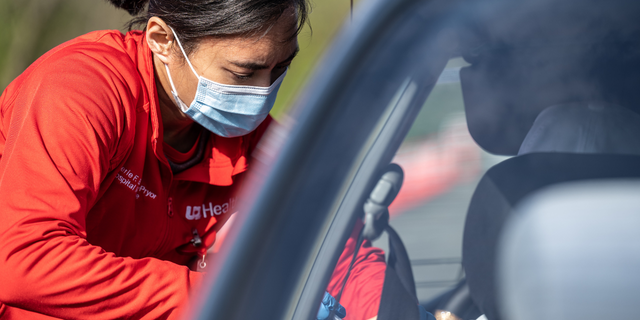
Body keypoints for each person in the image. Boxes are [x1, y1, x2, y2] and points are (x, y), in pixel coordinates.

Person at [0, 0, 387, 319]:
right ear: (162, 40)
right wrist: (225, 299)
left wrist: (382, 310)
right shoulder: (78, 92)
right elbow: (23, 259)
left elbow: (337, 251)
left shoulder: (255, 141)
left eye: (279, 69)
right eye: (243, 72)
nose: (263, 92)